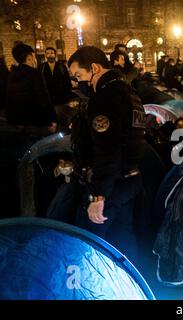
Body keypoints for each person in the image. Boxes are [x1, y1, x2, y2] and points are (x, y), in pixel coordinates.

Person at [47, 46, 147, 262]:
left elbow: (107, 149)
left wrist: (98, 195)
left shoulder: (106, 96)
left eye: (78, 76)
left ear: (94, 68)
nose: (76, 82)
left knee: (89, 246)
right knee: (123, 244)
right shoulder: (130, 93)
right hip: (128, 182)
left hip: (109, 188)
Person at [5, 43, 57, 137]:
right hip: (37, 121)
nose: (35, 59)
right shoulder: (34, 74)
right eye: (34, 56)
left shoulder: (12, 74)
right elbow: (43, 98)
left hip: (18, 122)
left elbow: (9, 97)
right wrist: (52, 119)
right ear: (29, 57)